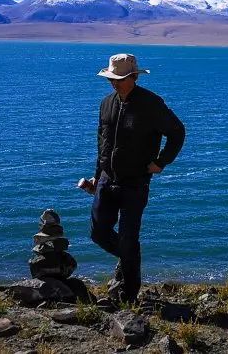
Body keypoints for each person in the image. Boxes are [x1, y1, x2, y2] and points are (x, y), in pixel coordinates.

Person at [85, 52, 185, 304]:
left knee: (129, 238)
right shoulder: (106, 103)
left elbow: (177, 132)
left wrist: (161, 162)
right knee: (98, 233)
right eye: (111, 78)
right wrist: (97, 177)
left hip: (135, 182)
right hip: (107, 179)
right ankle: (129, 259)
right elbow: (102, 144)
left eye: (118, 78)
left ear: (132, 77)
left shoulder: (151, 104)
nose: (113, 83)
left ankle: (129, 296)